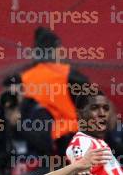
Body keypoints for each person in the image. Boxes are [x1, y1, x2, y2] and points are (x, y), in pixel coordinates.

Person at [9, 27, 94, 156]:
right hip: (78, 138)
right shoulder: (68, 73)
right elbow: (93, 103)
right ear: (55, 50)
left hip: (48, 145)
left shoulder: (24, 78)